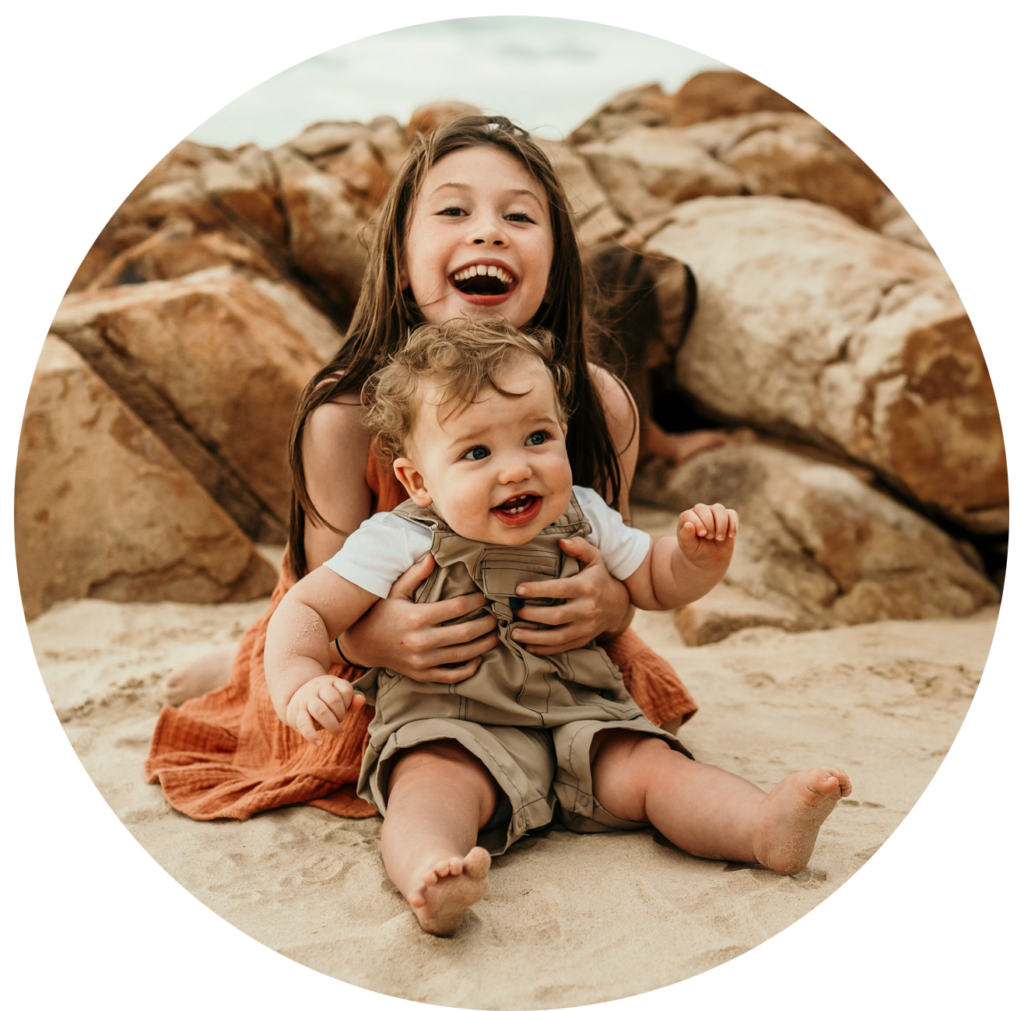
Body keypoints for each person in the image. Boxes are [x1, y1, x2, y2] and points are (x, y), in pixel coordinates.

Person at [147, 115, 698, 827]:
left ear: (556, 262)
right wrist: (376, 639)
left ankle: (245, 652)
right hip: (375, 641)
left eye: (519, 215)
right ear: (402, 262)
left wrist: (613, 603)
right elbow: (323, 597)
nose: (489, 231)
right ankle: (247, 656)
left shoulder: (603, 407)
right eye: (454, 210)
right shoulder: (343, 418)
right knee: (298, 692)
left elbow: (622, 564)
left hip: (550, 658)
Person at [265, 319, 852, 936]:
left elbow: (650, 579)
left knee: (654, 769)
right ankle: (432, 873)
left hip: (580, 711)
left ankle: (761, 827)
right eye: (476, 452)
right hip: (453, 719)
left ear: (564, 434)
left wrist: (694, 562)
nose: (516, 469)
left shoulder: (585, 512)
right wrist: (298, 679)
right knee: (429, 787)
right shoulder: (398, 537)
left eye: (537, 437)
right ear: (418, 481)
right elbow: (307, 609)